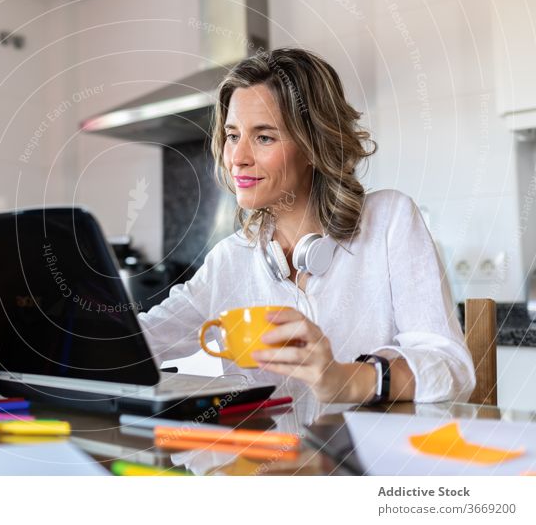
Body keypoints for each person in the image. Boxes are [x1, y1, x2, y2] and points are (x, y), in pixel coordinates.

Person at [136, 48, 476, 426]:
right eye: (233, 136)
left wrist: (346, 380)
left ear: (314, 144)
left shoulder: (388, 222)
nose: (238, 158)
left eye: (264, 137)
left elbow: (451, 369)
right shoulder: (229, 260)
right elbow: (138, 343)